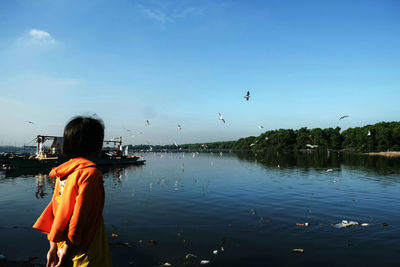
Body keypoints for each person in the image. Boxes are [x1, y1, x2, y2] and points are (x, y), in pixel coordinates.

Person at [33, 116, 112, 267]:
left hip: (62, 240)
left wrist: (53, 247)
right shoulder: (90, 173)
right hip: (83, 243)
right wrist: (68, 250)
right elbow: (80, 217)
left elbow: (56, 210)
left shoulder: (64, 171)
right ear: (96, 144)